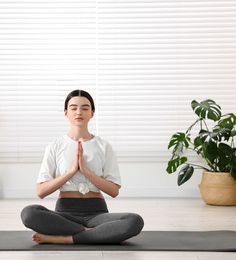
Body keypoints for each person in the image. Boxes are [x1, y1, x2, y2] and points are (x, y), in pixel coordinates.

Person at [21, 89, 144, 244]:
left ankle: (66, 239)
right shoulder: (55, 146)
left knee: (134, 221)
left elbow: (113, 191)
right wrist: (72, 171)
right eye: (73, 108)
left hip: (97, 214)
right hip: (65, 213)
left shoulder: (104, 146)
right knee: (29, 213)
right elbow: (41, 191)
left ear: (92, 113)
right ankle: (93, 235)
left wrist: (86, 171)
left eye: (85, 108)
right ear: (65, 113)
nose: (79, 112)